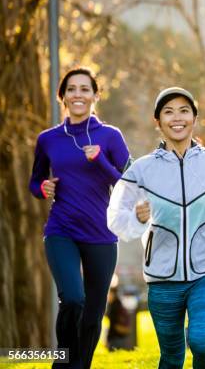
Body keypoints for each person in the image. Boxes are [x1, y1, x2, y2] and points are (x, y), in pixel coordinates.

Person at [107, 87, 205, 369]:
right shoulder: (141, 170)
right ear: (157, 121)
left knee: (200, 340)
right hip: (162, 276)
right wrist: (139, 219)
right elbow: (116, 216)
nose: (177, 118)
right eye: (168, 112)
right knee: (171, 357)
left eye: (184, 110)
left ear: (195, 118)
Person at [28, 67, 131, 369]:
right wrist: (42, 188)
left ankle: (79, 366)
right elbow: (35, 182)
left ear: (96, 96)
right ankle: (63, 361)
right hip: (62, 230)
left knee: (93, 314)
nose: (78, 95)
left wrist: (99, 159)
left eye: (85, 89)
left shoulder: (110, 137)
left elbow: (128, 184)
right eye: (71, 89)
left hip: (101, 233)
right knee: (73, 298)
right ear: (62, 97)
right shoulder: (48, 139)